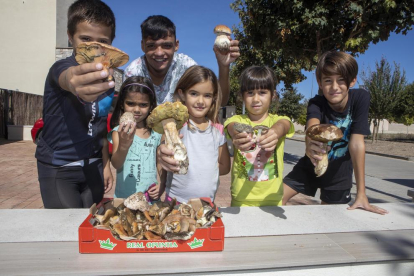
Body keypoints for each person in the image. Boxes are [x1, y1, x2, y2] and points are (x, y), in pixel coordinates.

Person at [282, 51, 388, 215]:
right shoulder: (316, 102)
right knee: (275, 198)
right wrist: (309, 144)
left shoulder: (360, 98)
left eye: (341, 80)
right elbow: (312, 128)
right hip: (310, 166)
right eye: (328, 81)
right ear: (319, 82)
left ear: (352, 80)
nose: (334, 87)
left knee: (330, 218)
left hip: (339, 176)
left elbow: (357, 143)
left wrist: (361, 193)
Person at [35, 0, 116, 208]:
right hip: (59, 167)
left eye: (102, 41)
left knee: (93, 228)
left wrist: (105, 165)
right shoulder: (61, 67)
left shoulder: (108, 78)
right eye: (85, 39)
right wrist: (73, 81)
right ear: (70, 36)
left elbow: (100, 126)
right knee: (67, 231)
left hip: (94, 167)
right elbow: (67, 78)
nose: (93, 47)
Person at [124, 15, 239, 106]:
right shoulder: (133, 73)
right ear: (143, 46)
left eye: (167, 45)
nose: (159, 53)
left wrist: (223, 66)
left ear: (176, 45)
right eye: (151, 46)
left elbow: (219, 102)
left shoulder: (187, 66)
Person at [224, 66, 294, 207]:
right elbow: (232, 127)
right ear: (242, 96)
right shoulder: (236, 119)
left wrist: (276, 131)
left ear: (273, 95)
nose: (256, 99)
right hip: (241, 199)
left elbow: (284, 124)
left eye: (262, 92)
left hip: (273, 198)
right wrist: (238, 134)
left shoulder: (278, 120)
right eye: (250, 93)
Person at [163, 65, 231, 204]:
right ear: (182, 94)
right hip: (175, 202)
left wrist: (204, 167)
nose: (200, 101)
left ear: (214, 98)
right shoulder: (175, 126)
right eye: (194, 93)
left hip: (205, 204)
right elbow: (163, 158)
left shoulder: (218, 131)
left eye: (207, 95)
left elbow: (225, 167)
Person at [108, 76, 163, 200]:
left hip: (150, 199)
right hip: (124, 200)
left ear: (150, 106)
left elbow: (160, 163)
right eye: (131, 103)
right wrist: (123, 145)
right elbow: (116, 164)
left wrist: (162, 184)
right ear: (122, 104)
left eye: (143, 105)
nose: (137, 110)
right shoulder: (119, 132)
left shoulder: (157, 133)